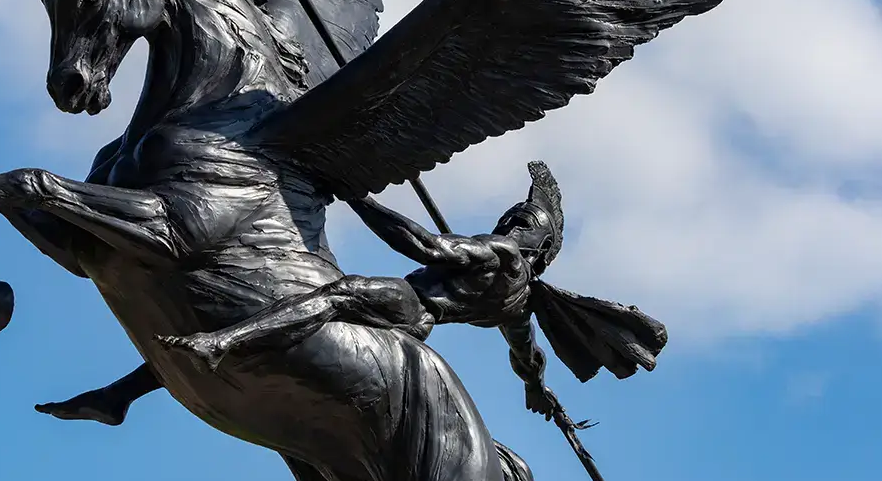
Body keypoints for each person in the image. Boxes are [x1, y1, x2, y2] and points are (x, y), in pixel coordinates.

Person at [36, 161, 667, 425]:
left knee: (335, 296)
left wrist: (355, 193)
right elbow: (526, 358)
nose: (508, 222)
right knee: (287, 325)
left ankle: (220, 343)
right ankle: (119, 397)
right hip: (419, 333)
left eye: (516, 219)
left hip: (408, 306)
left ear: (526, 237)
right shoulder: (521, 302)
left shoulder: (496, 254)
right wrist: (540, 393)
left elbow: (422, 245)